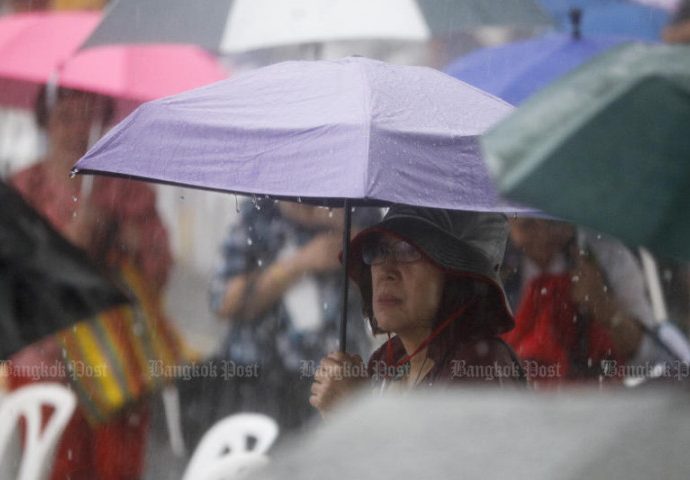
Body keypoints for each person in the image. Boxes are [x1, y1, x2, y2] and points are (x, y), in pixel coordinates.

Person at [8, 86, 173, 480]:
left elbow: (159, 267)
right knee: (56, 470)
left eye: (88, 116)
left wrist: (119, 234)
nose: (77, 128)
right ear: (45, 120)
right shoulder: (22, 188)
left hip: (116, 358)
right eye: (66, 116)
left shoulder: (124, 188)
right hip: (43, 364)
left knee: (117, 470)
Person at [309, 205, 525, 417]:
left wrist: (358, 410)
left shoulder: (482, 366)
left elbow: (448, 452)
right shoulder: (389, 360)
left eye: (409, 250)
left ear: (457, 278)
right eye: (378, 250)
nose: (386, 270)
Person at [208, 199, 381, 435]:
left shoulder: (360, 210)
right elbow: (223, 301)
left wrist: (355, 243)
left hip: (335, 378)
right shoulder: (259, 212)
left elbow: (385, 293)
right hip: (258, 377)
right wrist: (300, 263)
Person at [503, 217, 690, 385]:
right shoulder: (499, 267)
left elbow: (649, 358)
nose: (543, 235)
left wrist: (604, 307)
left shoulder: (606, 256)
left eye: (553, 223)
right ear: (509, 223)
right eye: (528, 225)